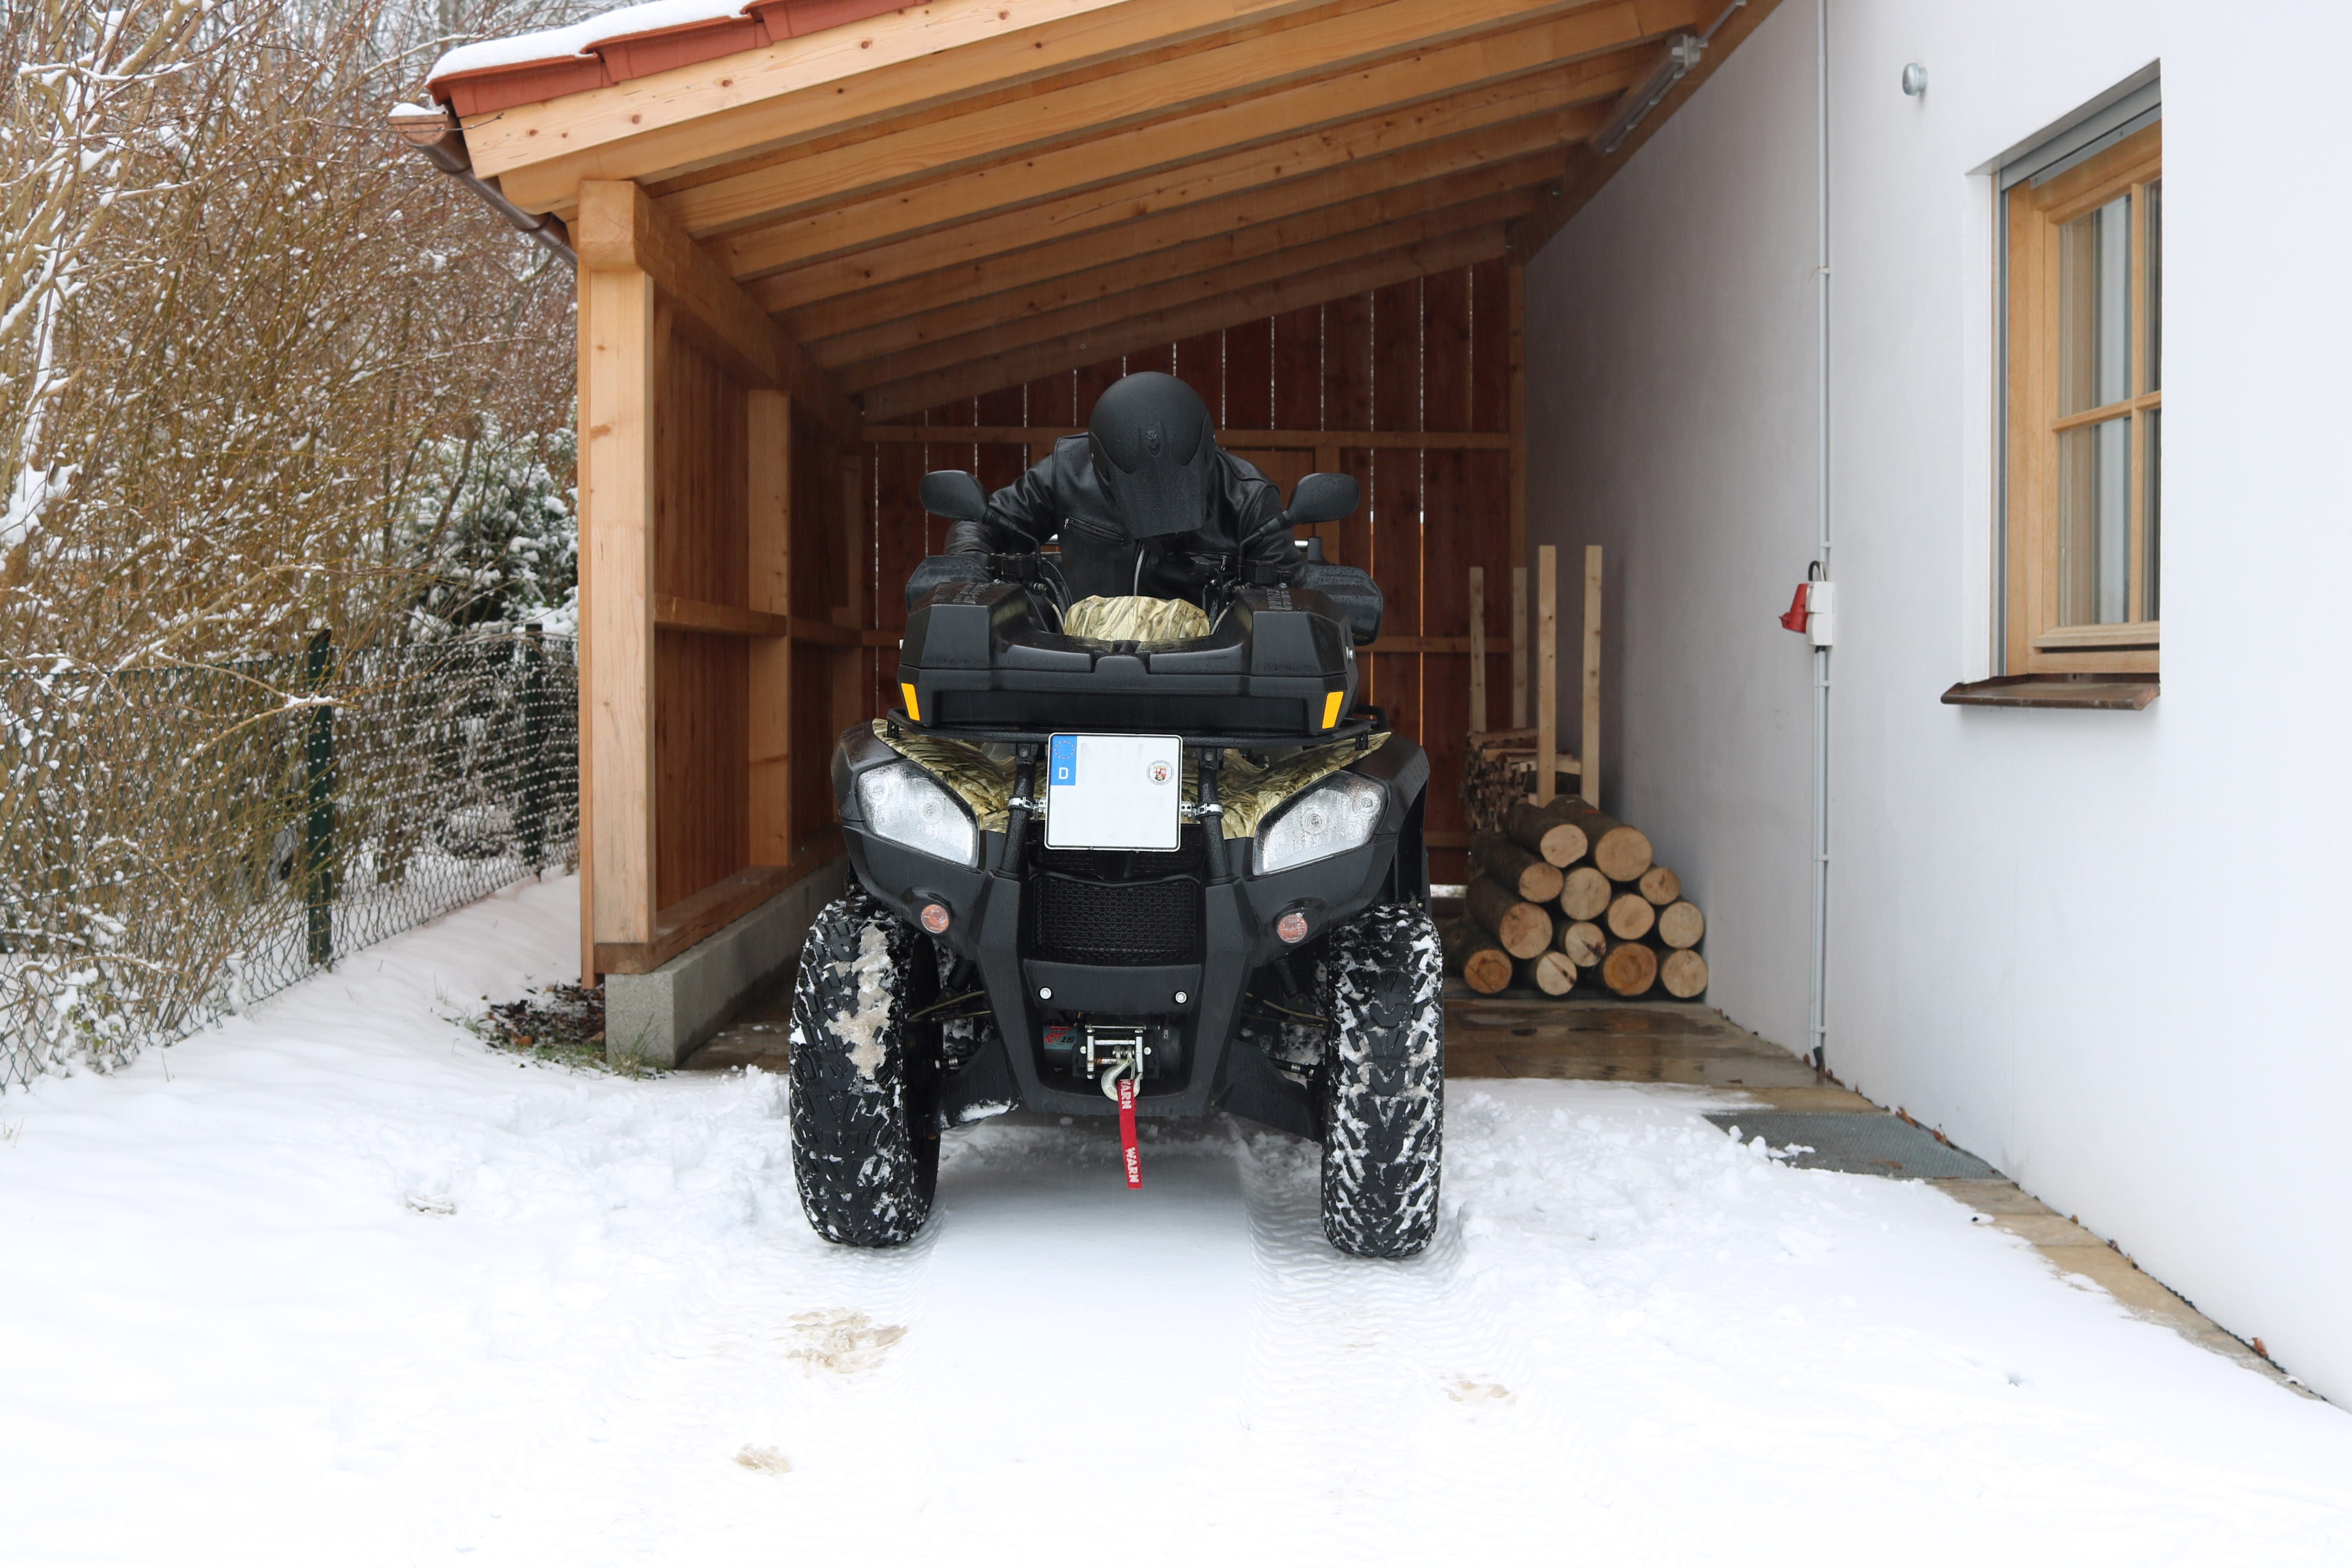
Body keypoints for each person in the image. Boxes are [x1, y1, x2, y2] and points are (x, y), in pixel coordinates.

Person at [942, 372, 1294, 603]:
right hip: (1078, 661)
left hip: (1210, 671)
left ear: (1206, 454)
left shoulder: (1249, 499)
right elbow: (985, 520)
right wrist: (967, 569)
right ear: (1102, 468)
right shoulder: (1067, 470)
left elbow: (1289, 594)